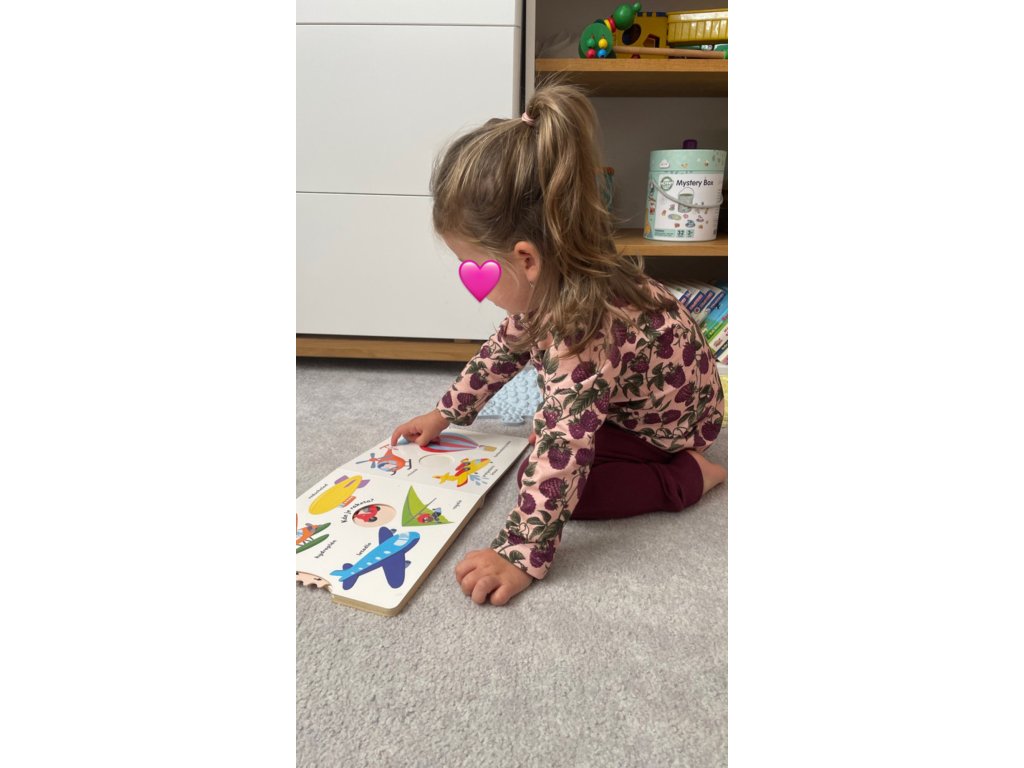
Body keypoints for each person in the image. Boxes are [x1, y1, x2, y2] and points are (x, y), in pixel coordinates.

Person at [389, 83, 726, 608]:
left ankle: (690, 476)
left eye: (474, 265)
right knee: (546, 436)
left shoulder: (583, 333)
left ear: (526, 259)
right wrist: (446, 412)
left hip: (671, 428)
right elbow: (504, 350)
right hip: (644, 398)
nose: (471, 281)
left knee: (559, 480)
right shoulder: (556, 283)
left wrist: (521, 552)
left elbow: (564, 447)